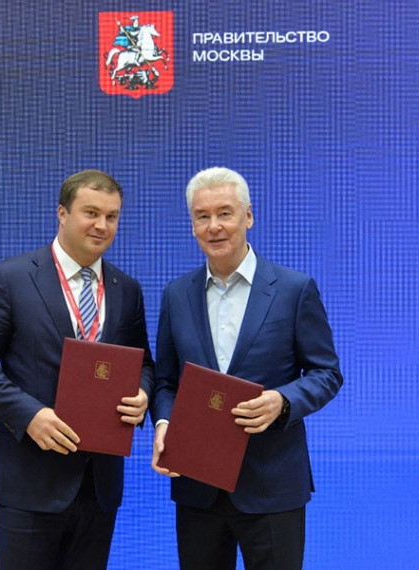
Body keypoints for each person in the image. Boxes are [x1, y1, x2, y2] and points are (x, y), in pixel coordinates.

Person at [0, 169, 154, 570]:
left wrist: (143, 393)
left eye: (112, 216)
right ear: (62, 213)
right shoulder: (10, 278)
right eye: (91, 213)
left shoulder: (127, 289)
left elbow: (144, 363)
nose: (102, 225)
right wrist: (29, 415)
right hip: (30, 480)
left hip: (99, 485)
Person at [150, 167, 342, 570]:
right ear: (192, 225)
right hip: (197, 484)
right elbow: (166, 381)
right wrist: (164, 423)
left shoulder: (294, 290)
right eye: (202, 216)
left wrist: (283, 401)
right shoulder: (176, 294)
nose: (214, 226)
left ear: (249, 216)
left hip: (272, 483)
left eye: (225, 213)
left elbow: (326, 373)